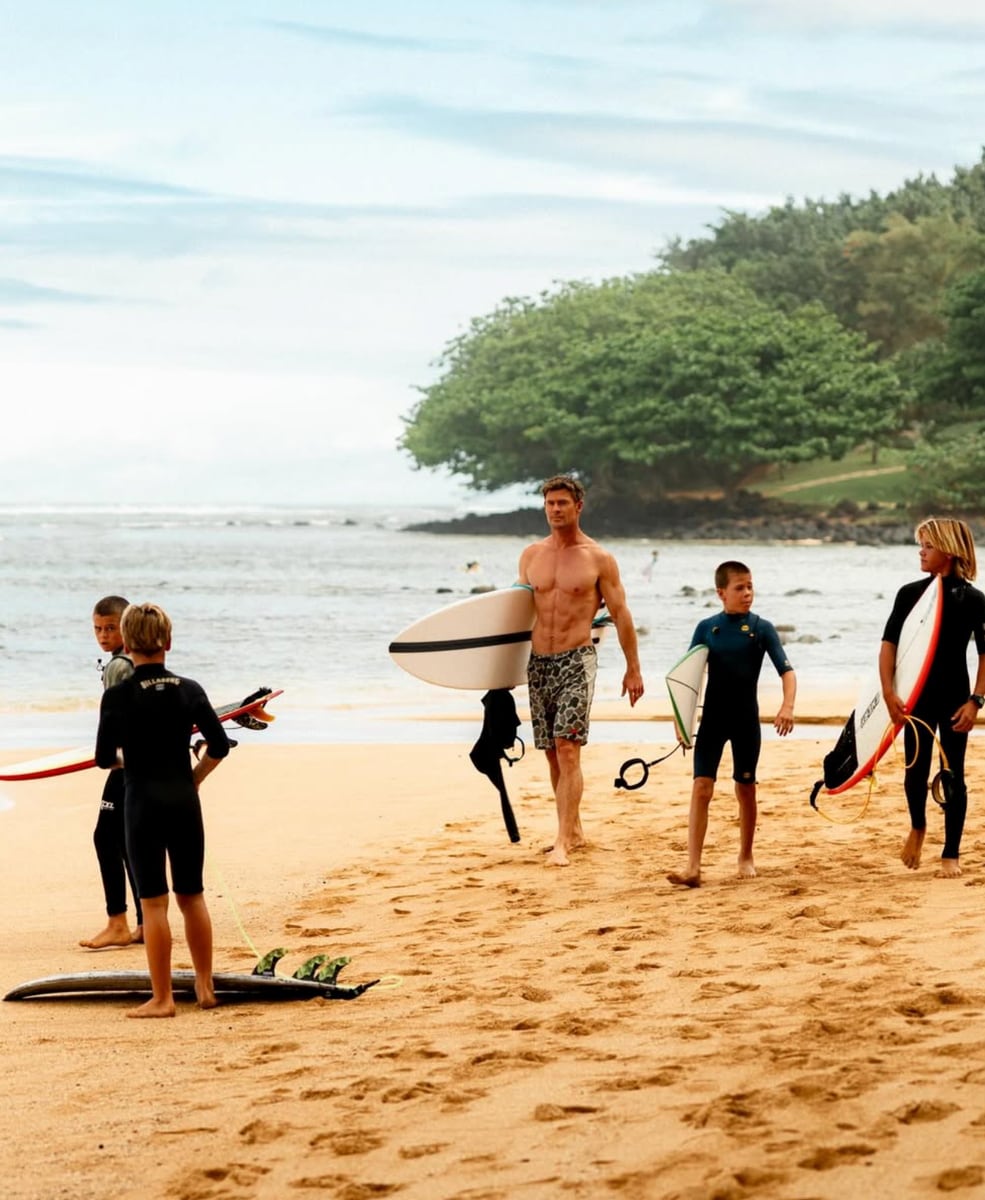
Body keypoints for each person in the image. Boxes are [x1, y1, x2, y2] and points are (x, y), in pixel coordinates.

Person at [95, 603, 230, 1018]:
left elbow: (104, 758)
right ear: (167, 642)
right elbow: (220, 745)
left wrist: (133, 761)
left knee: (153, 903)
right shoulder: (190, 689)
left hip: (142, 801)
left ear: (128, 643)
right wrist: (195, 777)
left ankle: (163, 998)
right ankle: (205, 988)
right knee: (192, 894)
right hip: (183, 800)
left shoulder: (118, 695)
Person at [517, 475, 644, 866]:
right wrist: (495, 676)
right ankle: (573, 828)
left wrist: (632, 668)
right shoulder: (530, 556)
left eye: (562, 503)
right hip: (538, 663)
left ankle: (562, 841)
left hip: (577, 659)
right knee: (553, 755)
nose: (555, 509)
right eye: (550, 503)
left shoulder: (598, 559)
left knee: (569, 750)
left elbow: (621, 614)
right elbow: (515, 614)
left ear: (578, 507)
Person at [668, 561, 796, 888]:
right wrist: (681, 722)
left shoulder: (761, 628)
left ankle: (746, 856)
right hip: (712, 720)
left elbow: (787, 671)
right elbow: (688, 678)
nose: (747, 593)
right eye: (740, 588)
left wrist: (787, 706)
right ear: (721, 592)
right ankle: (693, 866)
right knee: (701, 788)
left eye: (750, 586)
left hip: (745, 721)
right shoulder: (706, 628)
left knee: (746, 788)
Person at [880, 518, 985, 877]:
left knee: (952, 774)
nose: (920, 552)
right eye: (920, 545)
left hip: (957, 699)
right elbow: (888, 646)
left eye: (927, 545)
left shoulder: (974, 600)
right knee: (915, 768)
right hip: (917, 698)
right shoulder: (911, 594)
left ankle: (951, 854)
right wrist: (888, 693)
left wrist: (975, 701)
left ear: (949, 550)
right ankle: (918, 826)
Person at [80, 595, 144, 949]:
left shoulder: (119, 666)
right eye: (97, 628)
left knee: (106, 837)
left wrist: (106, 753)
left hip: (124, 764)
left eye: (110, 628)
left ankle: (117, 922)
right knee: (128, 841)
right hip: (143, 762)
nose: (103, 635)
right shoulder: (137, 659)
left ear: (126, 626)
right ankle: (146, 922)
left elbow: (116, 718)